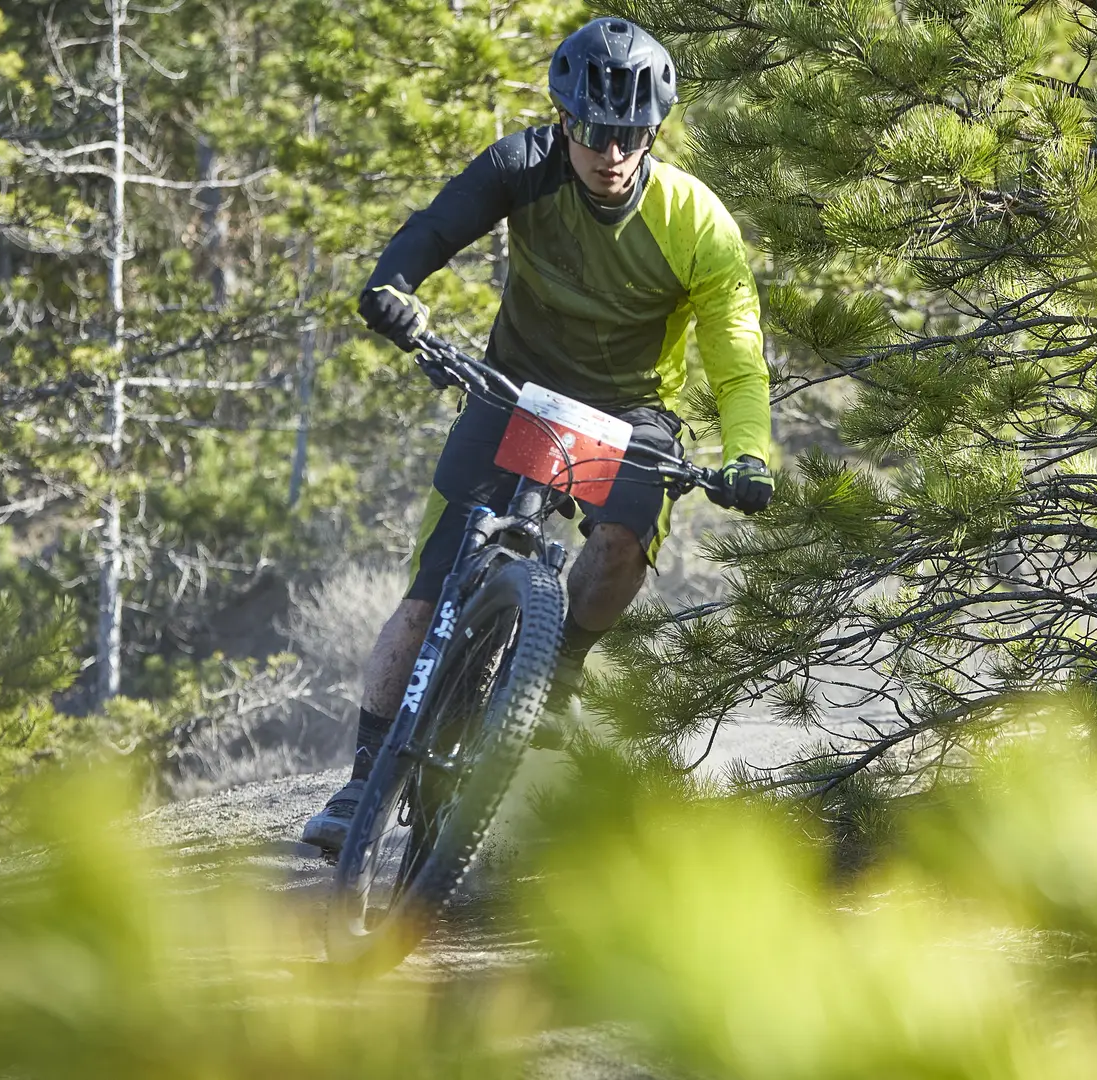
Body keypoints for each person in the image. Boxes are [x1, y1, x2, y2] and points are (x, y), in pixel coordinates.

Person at [301, 17, 775, 853]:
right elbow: (435, 228)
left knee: (624, 540)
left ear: (653, 132)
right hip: (515, 389)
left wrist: (749, 454)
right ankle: (357, 784)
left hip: (626, 411)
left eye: (630, 134)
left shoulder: (696, 222)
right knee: (422, 607)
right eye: (594, 131)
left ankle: (550, 679)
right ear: (565, 121)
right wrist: (393, 286)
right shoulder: (522, 167)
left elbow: (736, 360)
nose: (611, 152)